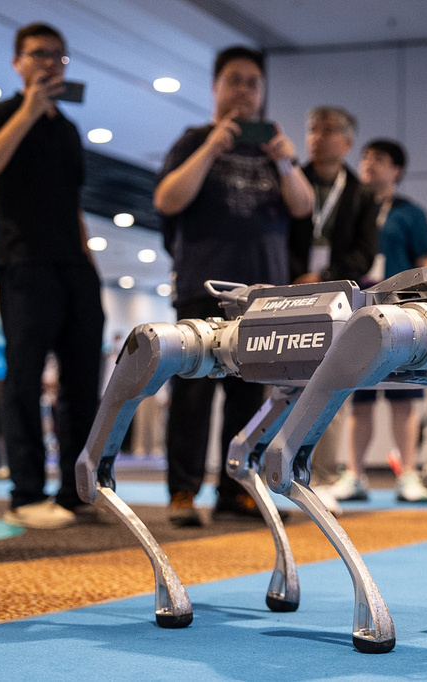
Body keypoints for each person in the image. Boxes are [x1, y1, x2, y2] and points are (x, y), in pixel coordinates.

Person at [155, 46, 313, 526]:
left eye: (252, 83)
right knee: (193, 393)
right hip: (203, 288)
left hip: (262, 295)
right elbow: (167, 200)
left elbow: (304, 207)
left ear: (262, 92)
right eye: (234, 81)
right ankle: (183, 492)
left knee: (249, 396)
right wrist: (211, 148)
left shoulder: (273, 150)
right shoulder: (193, 140)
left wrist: (286, 162)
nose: (244, 91)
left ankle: (238, 490)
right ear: (215, 87)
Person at [0, 23, 105, 529]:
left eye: (59, 56)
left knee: (83, 384)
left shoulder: (67, 129)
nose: (50, 63)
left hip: (75, 268)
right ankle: (25, 493)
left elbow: (73, 204)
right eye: (39, 54)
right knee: (23, 379)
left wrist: (89, 266)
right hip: (24, 263)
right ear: (17, 62)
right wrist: (27, 111)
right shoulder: (1, 114)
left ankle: (74, 493)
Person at [330, 139, 427, 504]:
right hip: (358, 312)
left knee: (403, 397)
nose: (368, 163)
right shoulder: (350, 208)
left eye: (378, 159)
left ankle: (408, 475)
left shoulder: (410, 213)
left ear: (397, 170)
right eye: (364, 157)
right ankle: (354, 475)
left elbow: (425, 262)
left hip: (402, 314)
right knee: (358, 397)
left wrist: (424, 308)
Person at [287, 106, 378, 499]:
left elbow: (365, 254)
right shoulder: (290, 179)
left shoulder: (361, 193)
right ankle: (275, 468)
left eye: (326, 131)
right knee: (282, 382)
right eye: (312, 130)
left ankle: (323, 477)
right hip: (286, 293)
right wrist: (294, 278)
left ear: (346, 142)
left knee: (331, 384)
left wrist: (323, 276)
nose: (316, 138)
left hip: (336, 298)